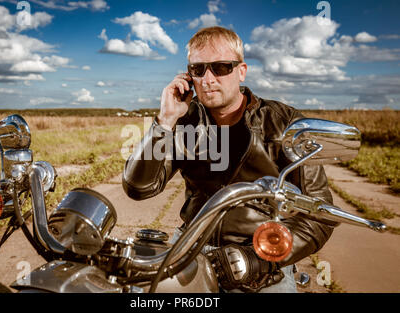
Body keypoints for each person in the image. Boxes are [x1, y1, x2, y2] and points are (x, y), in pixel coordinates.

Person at [122, 26, 336, 293]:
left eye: (221, 67)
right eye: (198, 70)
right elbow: (138, 188)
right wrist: (164, 121)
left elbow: (320, 214)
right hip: (190, 247)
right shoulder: (184, 121)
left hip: (261, 258)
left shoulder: (285, 122)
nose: (208, 78)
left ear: (241, 71)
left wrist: (257, 260)